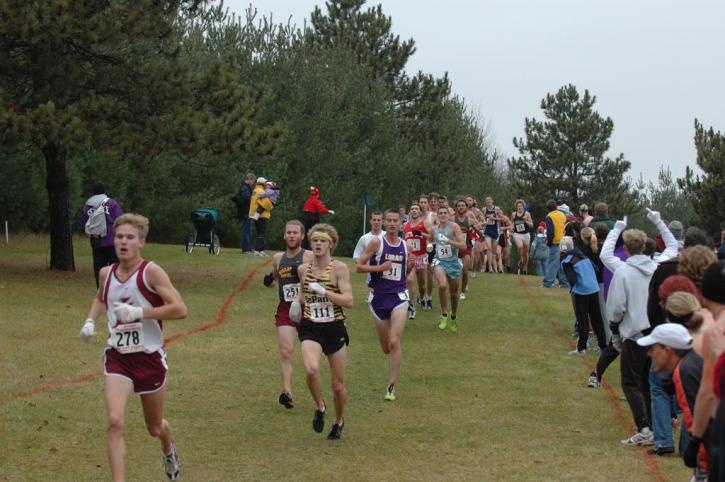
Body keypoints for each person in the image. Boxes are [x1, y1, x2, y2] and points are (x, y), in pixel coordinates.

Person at [79, 213, 188, 481]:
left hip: (148, 359)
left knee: (154, 427)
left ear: (141, 242)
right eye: (119, 237)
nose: (123, 242)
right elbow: (101, 297)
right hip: (118, 358)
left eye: (130, 237)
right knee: (115, 421)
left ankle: (168, 448)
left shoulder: (151, 272)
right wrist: (90, 320)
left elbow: (180, 309)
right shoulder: (106, 273)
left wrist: (140, 312)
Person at [289, 223, 353, 440]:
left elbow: (349, 300)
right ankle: (320, 406)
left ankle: (339, 420)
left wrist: (325, 291)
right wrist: (296, 304)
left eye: (322, 240)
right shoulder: (302, 269)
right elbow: (302, 292)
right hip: (311, 327)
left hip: (334, 328)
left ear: (331, 244)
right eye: (315, 240)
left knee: (337, 386)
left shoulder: (339, 269)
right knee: (311, 370)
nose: (317, 244)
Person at [605, 222, 657, 446]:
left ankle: (644, 427)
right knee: (648, 381)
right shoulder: (655, 269)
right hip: (654, 332)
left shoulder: (624, 272)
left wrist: (615, 328)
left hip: (634, 333)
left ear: (626, 248)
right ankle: (656, 425)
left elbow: (617, 306)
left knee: (630, 382)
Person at [356, 209, 416, 401]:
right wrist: (379, 268)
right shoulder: (376, 243)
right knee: (385, 347)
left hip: (399, 297)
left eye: (395, 221)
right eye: (388, 221)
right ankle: (390, 357)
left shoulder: (406, 246)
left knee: (394, 341)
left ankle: (391, 386)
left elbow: (406, 271)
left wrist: (412, 265)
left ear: (400, 223)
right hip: (378, 298)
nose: (391, 224)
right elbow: (359, 267)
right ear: (384, 224)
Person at [637, 324, 703, 464]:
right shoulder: (685, 368)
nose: (648, 354)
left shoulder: (686, 372)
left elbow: (705, 414)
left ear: (667, 351)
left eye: (652, 348)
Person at [263, 220, 311, 409]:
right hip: (285, 309)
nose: (291, 235)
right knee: (286, 351)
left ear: (302, 236)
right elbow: (274, 278)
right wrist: (268, 280)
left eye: (295, 233)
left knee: (310, 357)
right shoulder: (277, 257)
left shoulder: (308, 256)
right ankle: (287, 392)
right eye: (288, 232)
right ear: (284, 236)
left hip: (307, 308)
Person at [561, 230, 607, 355]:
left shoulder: (567, 260)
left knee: (582, 320)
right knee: (597, 318)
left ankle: (581, 348)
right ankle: (603, 346)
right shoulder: (582, 255)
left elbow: (571, 279)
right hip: (593, 288)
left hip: (581, 291)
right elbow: (596, 269)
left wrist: (574, 287)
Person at [431, 206, 467, 333]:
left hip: (453, 263)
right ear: (437, 215)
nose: (442, 215)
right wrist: (430, 246)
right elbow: (431, 241)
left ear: (448, 215)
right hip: (440, 261)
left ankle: (453, 316)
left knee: (454, 294)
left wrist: (449, 241)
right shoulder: (434, 229)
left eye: (445, 213)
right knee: (441, 286)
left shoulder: (454, 227)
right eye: (440, 213)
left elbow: (463, 245)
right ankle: (444, 314)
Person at [82, 182, 124, 287]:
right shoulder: (112, 203)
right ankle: (115, 290)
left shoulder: (87, 206)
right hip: (111, 241)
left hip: (96, 242)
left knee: (99, 269)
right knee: (115, 268)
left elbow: (85, 224)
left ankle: (101, 292)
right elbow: (121, 220)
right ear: (104, 191)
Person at [403, 202, 429, 317]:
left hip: (422, 256)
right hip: (411, 257)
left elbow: (431, 237)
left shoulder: (424, 223)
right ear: (410, 211)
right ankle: (411, 306)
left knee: (422, 285)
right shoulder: (406, 225)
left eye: (416, 209)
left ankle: (422, 297)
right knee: (409, 280)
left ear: (419, 211)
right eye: (412, 209)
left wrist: (421, 234)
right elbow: (404, 239)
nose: (414, 210)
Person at [453, 198, 479, 299]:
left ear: (466, 208)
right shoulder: (452, 219)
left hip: (466, 248)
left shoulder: (470, 220)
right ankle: (453, 288)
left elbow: (478, 230)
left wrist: (478, 235)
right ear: (456, 207)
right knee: (453, 272)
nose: (461, 207)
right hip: (453, 248)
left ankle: (463, 291)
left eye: (463, 206)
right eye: (459, 206)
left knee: (464, 270)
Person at [543, 199, 569, 288]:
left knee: (553, 263)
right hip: (564, 241)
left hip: (556, 242)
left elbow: (550, 232)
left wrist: (549, 242)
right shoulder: (562, 215)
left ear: (547, 209)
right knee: (561, 263)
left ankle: (547, 283)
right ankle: (565, 283)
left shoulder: (549, 216)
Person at [249, 177, 273, 256]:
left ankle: (259, 250)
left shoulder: (255, 190)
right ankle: (259, 250)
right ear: (263, 183)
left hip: (254, 214)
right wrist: (271, 206)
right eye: (265, 183)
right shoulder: (261, 191)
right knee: (262, 233)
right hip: (262, 215)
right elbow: (267, 203)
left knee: (259, 233)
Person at [482, 196, 505, 273]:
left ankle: (497, 265)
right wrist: (483, 222)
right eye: (486, 200)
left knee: (494, 252)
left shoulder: (496, 209)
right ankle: (490, 267)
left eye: (489, 200)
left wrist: (494, 219)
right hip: (487, 230)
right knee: (488, 248)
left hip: (495, 230)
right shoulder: (484, 210)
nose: (488, 201)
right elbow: (481, 219)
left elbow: (503, 219)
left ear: (492, 201)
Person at [235, 172, 255, 254]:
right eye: (253, 181)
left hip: (247, 211)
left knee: (249, 230)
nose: (253, 183)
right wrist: (253, 197)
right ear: (249, 179)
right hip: (245, 211)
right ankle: (246, 249)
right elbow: (247, 198)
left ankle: (249, 248)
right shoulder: (244, 187)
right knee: (246, 230)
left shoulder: (246, 187)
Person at [511, 199, 533, 275]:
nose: (519, 207)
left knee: (526, 253)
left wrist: (526, 221)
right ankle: (520, 259)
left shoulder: (527, 214)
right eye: (518, 206)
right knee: (520, 247)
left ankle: (525, 267)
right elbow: (512, 223)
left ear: (523, 207)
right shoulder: (514, 214)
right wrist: (511, 227)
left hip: (526, 234)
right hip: (517, 234)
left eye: (521, 206)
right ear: (516, 207)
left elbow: (531, 225)